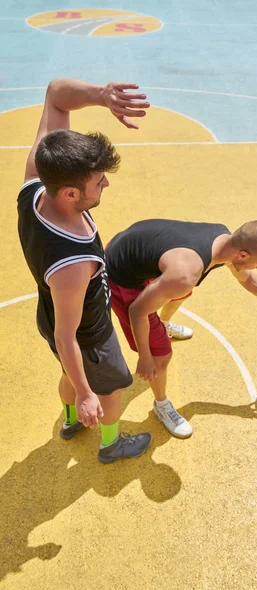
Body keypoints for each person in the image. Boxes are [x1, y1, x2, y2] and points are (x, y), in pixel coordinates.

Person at [17, 78, 152, 463]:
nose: (106, 182)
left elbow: (55, 93)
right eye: (98, 181)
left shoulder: (35, 183)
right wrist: (87, 391)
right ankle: (110, 444)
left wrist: (101, 95)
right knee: (109, 390)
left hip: (53, 311)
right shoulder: (74, 263)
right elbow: (67, 336)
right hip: (87, 334)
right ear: (71, 193)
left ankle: (70, 419)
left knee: (68, 372)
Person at [105, 218, 257, 438]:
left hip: (129, 246)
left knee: (182, 290)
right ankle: (161, 405)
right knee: (162, 355)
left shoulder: (223, 237)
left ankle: (164, 325)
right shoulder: (185, 272)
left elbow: (246, 278)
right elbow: (137, 312)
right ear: (242, 255)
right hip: (119, 275)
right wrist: (146, 357)